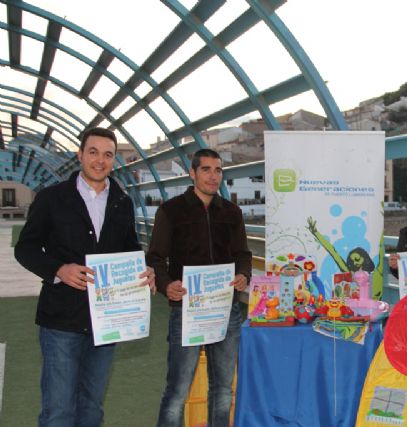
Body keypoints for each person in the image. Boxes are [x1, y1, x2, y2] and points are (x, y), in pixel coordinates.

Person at [14, 127, 155, 427]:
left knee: (91, 408)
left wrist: (143, 271)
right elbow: (25, 248)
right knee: (58, 410)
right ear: (80, 154)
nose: (99, 160)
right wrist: (58, 269)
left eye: (108, 154)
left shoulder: (122, 202)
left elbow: (129, 248)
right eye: (93, 152)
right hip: (61, 320)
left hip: (107, 323)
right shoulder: (51, 199)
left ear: (114, 160)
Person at [147, 148, 252, 427]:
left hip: (225, 310)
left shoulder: (232, 212)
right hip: (186, 311)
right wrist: (167, 285)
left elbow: (243, 253)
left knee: (222, 390)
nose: (213, 176)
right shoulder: (170, 211)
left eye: (218, 170)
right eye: (206, 169)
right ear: (192, 173)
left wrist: (243, 274)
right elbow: (155, 258)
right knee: (177, 391)